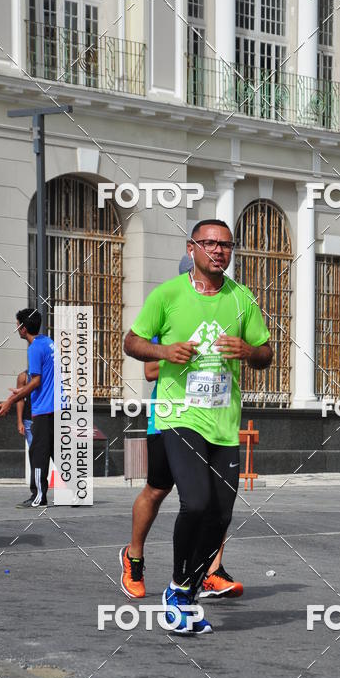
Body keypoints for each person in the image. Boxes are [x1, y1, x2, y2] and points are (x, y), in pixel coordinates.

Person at [123, 220, 273, 634]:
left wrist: (248, 351)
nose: (219, 250)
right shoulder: (168, 295)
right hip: (177, 416)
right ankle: (165, 578)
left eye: (226, 245)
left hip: (223, 422)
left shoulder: (242, 299)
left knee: (221, 513)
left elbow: (266, 353)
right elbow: (132, 342)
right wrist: (164, 351)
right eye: (210, 243)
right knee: (193, 501)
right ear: (192, 248)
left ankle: (187, 590)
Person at [120, 254, 244, 602]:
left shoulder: (228, 309)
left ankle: (210, 570)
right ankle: (134, 557)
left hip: (213, 417)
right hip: (170, 417)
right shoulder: (169, 308)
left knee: (214, 497)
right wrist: (180, 356)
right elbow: (149, 370)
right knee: (157, 490)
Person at [0, 309, 55, 508]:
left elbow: (36, 381)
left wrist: (10, 401)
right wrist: (21, 392)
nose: (17, 329)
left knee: (38, 454)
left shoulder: (35, 348)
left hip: (44, 409)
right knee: (56, 451)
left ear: (23, 328)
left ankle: (39, 496)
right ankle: (77, 492)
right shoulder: (48, 342)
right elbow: (43, 378)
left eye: (17, 325)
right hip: (57, 407)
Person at [15, 369, 36, 505]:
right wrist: (20, 421)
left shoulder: (48, 373)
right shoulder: (23, 376)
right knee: (35, 456)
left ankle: (75, 489)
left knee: (55, 454)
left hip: (47, 419)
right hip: (29, 421)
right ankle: (36, 493)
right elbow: (19, 399)